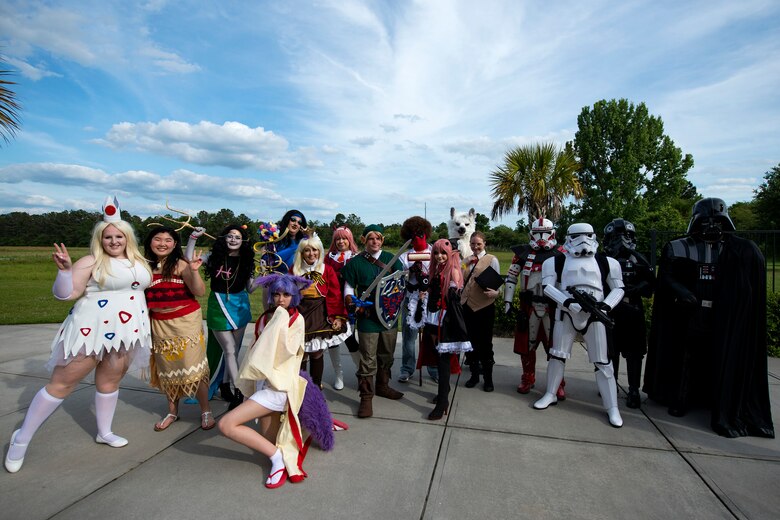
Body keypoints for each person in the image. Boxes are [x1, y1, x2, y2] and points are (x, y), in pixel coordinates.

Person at [5, 197, 152, 473]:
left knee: (110, 382)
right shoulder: (91, 261)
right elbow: (66, 294)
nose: (113, 241)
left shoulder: (139, 261)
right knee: (62, 383)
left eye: (118, 235)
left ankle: (104, 432)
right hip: (90, 331)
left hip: (127, 331)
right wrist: (64, 271)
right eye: (107, 236)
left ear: (127, 237)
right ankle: (21, 439)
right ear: (100, 239)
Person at [643, 198, 774, 438]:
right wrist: (681, 291)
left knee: (721, 357)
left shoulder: (740, 250)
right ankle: (680, 398)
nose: (711, 226)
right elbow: (666, 279)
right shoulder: (680, 247)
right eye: (706, 221)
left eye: (717, 221)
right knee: (687, 356)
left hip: (724, 316)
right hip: (691, 313)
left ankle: (719, 400)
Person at [218, 274, 313, 489]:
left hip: (278, 387)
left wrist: (277, 320)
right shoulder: (267, 316)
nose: (281, 299)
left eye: (287, 295)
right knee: (270, 441)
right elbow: (255, 351)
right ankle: (277, 452)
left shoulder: (295, 319)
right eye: (277, 294)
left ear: (295, 296)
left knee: (227, 424)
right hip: (263, 384)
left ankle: (278, 459)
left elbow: (282, 353)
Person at [532, 223, 626, 428]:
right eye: (577, 236)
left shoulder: (608, 262)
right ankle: (550, 393)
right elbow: (548, 286)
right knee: (557, 356)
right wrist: (566, 302)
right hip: (565, 313)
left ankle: (612, 407)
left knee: (603, 362)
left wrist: (606, 306)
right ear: (568, 238)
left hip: (596, 315)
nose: (583, 241)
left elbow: (618, 288)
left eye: (587, 236)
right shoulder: (554, 262)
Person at [143, 226, 214, 431]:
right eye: (158, 239)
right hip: (158, 323)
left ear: (174, 244)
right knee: (166, 368)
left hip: (186, 322)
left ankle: (206, 410)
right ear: (150, 242)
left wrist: (193, 271)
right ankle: (172, 412)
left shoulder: (181, 264)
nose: (162, 244)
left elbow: (199, 291)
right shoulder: (144, 267)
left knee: (194, 367)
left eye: (168, 240)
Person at [341, 224, 405, 418]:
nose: (375, 242)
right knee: (368, 357)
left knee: (386, 354)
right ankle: (366, 397)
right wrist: (351, 301)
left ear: (382, 241)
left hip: (389, 317)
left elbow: (399, 284)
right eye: (371, 239)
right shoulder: (355, 263)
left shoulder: (392, 259)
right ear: (364, 241)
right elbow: (349, 287)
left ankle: (383, 386)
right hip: (368, 316)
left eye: (378, 238)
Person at [189, 224, 255, 410]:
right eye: (230, 236)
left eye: (237, 237)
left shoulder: (248, 261)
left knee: (233, 351)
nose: (233, 239)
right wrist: (193, 238)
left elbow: (250, 289)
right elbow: (189, 259)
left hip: (240, 307)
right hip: (218, 305)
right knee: (229, 351)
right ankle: (239, 392)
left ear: (243, 241)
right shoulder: (214, 257)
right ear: (224, 238)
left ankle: (225, 384)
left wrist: (263, 277)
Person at [503, 218, 566, 398]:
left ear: (552, 233)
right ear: (531, 233)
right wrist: (507, 301)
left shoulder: (561, 253)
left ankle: (558, 382)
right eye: (537, 233)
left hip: (552, 305)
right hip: (528, 306)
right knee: (527, 345)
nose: (541, 237)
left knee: (554, 346)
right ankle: (528, 377)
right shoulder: (522, 253)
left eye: (544, 233)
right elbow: (511, 278)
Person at [602, 219, 655, 409]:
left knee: (635, 353)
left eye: (626, 236)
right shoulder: (603, 260)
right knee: (611, 351)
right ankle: (611, 384)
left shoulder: (638, 259)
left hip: (633, 308)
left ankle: (633, 389)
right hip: (611, 309)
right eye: (616, 237)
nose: (622, 240)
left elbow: (650, 285)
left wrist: (635, 289)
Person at [290, 233, 350, 389]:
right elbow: (287, 295)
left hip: (320, 311)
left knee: (317, 352)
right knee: (300, 353)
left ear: (320, 251)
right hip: (300, 313)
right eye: (307, 250)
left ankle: (316, 387)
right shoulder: (294, 270)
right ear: (301, 253)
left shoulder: (327, 269)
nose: (312, 254)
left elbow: (335, 295)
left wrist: (338, 317)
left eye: (315, 250)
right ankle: (301, 389)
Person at [424, 239, 472, 419]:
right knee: (438, 357)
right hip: (433, 316)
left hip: (445, 319)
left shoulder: (453, 270)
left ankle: (443, 401)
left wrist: (451, 290)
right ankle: (444, 391)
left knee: (443, 360)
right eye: (436, 253)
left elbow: (453, 297)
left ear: (450, 253)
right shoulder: (436, 269)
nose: (439, 256)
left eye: (443, 253)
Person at [397, 216, 438, 384]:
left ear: (426, 233)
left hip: (431, 299)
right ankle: (407, 368)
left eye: (420, 233)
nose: (417, 238)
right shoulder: (405, 256)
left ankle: (434, 369)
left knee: (432, 335)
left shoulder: (435, 252)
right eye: (413, 235)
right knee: (409, 336)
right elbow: (399, 279)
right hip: (411, 298)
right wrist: (409, 272)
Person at [460, 231, 501, 392]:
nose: (475, 246)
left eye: (478, 244)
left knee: (485, 343)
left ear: (484, 244)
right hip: (466, 306)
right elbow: (457, 273)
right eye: (472, 244)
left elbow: (498, 282)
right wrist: (465, 260)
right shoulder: (468, 260)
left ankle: (488, 378)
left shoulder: (492, 260)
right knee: (469, 343)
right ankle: (474, 375)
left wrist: (497, 293)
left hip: (484, 307)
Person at [324, 225, 361, 388]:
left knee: (350, 338)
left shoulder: (356, 257)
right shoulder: (328, 257)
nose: (341, 241)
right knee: (332, 339)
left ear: (350, 240)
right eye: (338, 238)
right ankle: (338, 374)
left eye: (344, 238)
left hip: (349, 303)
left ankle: (361, 372)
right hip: (331, 303)